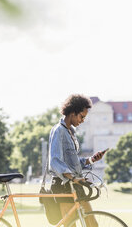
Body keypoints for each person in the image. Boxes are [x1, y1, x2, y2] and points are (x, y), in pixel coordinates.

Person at [49, 94, 107, 227]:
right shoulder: (59, 131)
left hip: (75, 183)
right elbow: (55, 160)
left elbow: (72, 163)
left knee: (92, 223)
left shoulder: (71, 132)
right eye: (82, 116)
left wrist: (91, 160)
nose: (83, 120)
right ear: (72, 113)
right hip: (63, 184)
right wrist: (73, 178)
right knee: (71, 225)